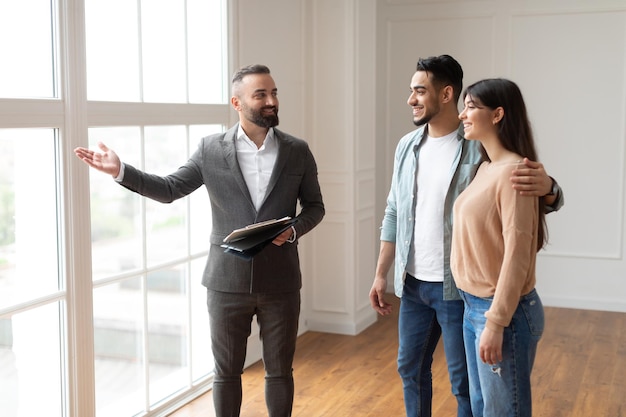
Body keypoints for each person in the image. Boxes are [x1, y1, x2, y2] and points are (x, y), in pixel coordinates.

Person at [74, 64, 325, 417]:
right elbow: (169, 188)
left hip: (281, 281)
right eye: (261, 95)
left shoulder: (296, 150)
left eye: (274, 93)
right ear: (236, 103)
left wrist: (294, 229)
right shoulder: (210, 149)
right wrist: (120, 170)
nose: (271, 101)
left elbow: (315, 206)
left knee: (280, 371)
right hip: (225, 283)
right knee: (226, 373)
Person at [368, 55, 563, 417]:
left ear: (446, 94)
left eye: (419, 91)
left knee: (466, 386)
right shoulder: (406, 147)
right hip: (412, 283)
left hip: (457, 289)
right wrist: (382, 272)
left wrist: (550, 187)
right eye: (411, 91)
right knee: (410, 370)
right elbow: (393, 210)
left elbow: (524, 200)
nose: (411, 99)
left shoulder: (480, 147)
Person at [451, 78, 546, 417]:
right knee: (482, 408)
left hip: (501, 312)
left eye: (471, 106)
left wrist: (495, 322)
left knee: (502, 412)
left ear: (497, 114)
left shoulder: (514, 173)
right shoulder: (485, 167)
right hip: (472, 305)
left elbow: (517, 255)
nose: (462, 114)